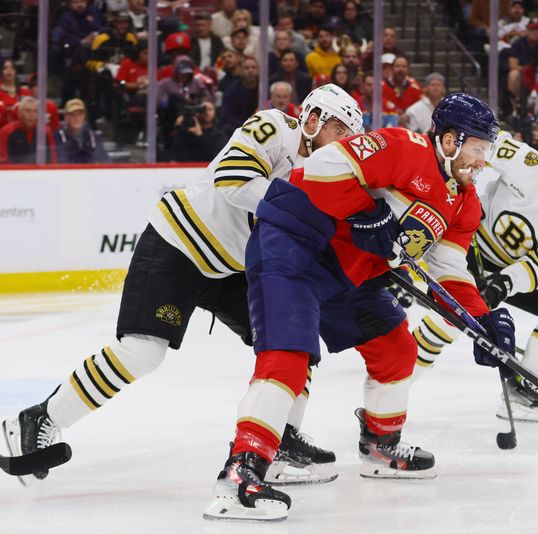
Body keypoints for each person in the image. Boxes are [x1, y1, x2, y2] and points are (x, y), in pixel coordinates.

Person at [1, 85, 363, 488]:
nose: (344, 144)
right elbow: (234, 180)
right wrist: (306, 210)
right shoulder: (275, 126)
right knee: (142, 351)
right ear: (312, 120)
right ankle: (38, 419)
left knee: (294, 343)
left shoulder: (323, 171)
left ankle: (280, 440)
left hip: (231, 269)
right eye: (339, 130)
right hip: (180, 242)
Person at [203, 93, 505, 522]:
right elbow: (322, 166)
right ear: (451, 140)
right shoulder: (403, 147)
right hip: (295, 250)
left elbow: (449, 267)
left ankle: (381, 448)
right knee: (288, 358)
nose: (481, 161)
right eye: (477, 148)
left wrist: (482, 320)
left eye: (486, 152)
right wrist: (369, 211)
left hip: (350, 276)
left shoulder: (464, 202)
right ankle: (241, 473)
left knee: (397, 347)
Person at [410, 130, 538, 423]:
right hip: (468, 246)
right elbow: (479, 145)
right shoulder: (525, 160)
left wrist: (503, 284)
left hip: (511, 270)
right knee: (451, 320)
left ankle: (522, 388)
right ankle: (395, 382)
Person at [0, 96, 57, 164]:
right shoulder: (6, 132)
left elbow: (53, 159)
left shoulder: (45, 131)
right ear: (19, 113)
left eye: (35, 111)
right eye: (28, 111)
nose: (31, 115)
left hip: (41, 172)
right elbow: (3, 161)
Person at [55, 98, 110, 164]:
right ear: (66, 117)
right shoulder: (58, 137)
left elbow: (105, 161)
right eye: (73, 114)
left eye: (80, 114)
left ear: (84, 116)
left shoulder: (93, 137)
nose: (77, 118)